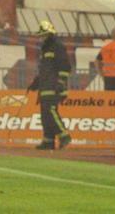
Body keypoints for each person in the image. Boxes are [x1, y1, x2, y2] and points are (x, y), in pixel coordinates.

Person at [31, 20, 71, 151]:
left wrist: (61, 82)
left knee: (50, 111)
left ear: (49, 34)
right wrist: (35, 83)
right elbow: (45, 69)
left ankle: (64, 136)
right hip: (45, 86)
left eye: (44, 34)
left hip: (53, 86)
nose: (41, 37)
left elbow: (65, 66)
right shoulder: (45, 48)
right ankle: (48, 141)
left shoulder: (57, 46)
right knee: (45, 114)